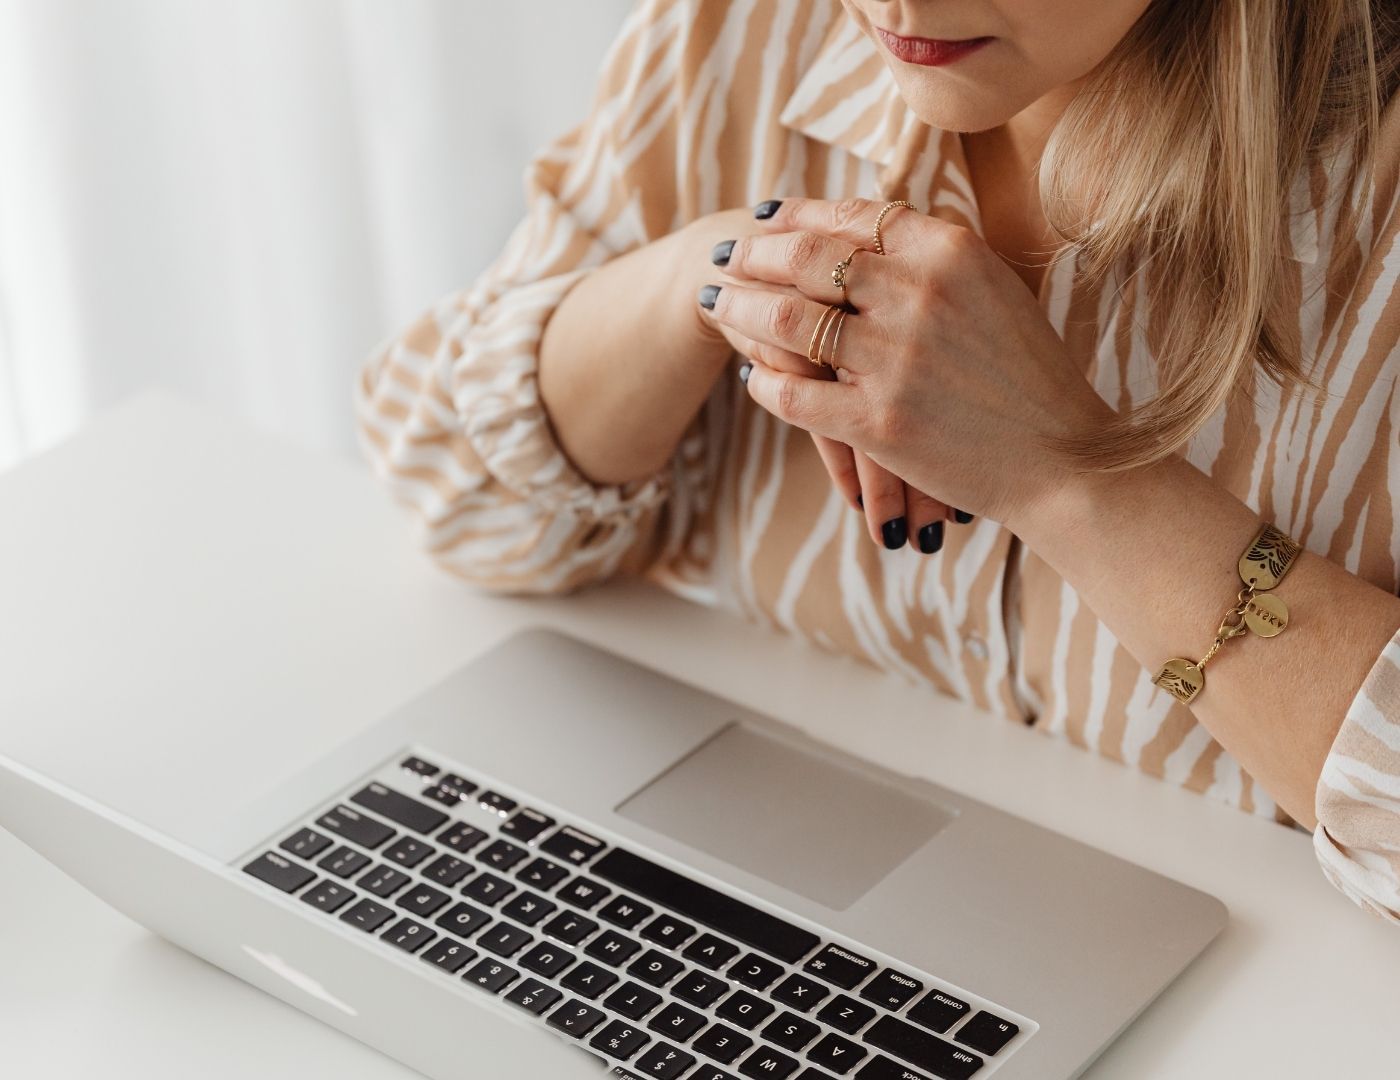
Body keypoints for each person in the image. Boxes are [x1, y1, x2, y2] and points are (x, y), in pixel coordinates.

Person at [356, 0, 1400, 925]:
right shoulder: (744, 30)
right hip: (727, 933)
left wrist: (1067, 482)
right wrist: (724, 273)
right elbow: (452, 496)